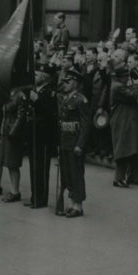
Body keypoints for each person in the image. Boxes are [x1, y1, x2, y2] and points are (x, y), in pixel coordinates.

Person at [57, 66, 91, 217]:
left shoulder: (81, 100)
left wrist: (80, 144)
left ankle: (78, 206)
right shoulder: (66, 98)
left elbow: (85, 124)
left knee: (76, 173)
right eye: (65, 81)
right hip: (65, 140)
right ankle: (71, 204)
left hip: (74, 141)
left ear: (76, 82)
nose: (65, 84)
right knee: (67, 173)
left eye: (69, 81)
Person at [109, 62, 138, 188]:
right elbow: (133, 95)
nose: (128, 78)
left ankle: (133, 176)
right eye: (126, 76)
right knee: (123, 149)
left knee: (133, 148)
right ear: (121, 77)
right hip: (121, 121)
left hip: (127, 120)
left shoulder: (118, 84)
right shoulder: (118, 86)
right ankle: (118, 178)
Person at [28, 65, 57, 209]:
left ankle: (41, 198)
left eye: (38, 74)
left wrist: (37, 101)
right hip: (33, 134)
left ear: (45, 77)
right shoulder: (35, 91)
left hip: (44, 135)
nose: (35, 77)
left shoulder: (50, 93)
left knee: (42, 168)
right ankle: (34, 196)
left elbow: (51, 114)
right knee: (34, 166)